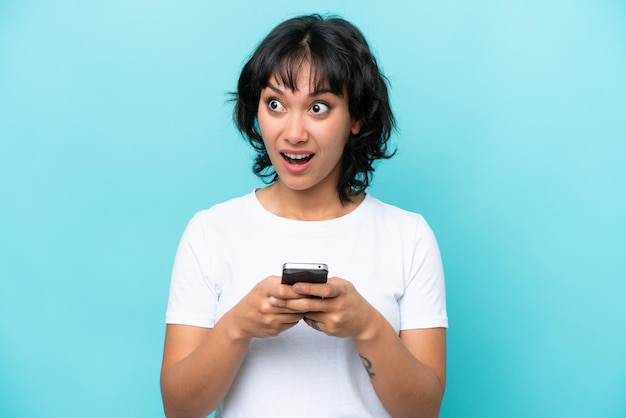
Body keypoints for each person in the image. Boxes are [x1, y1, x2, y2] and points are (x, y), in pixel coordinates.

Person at [160, 14, 447, 418]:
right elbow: (178, 408)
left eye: (318, 107)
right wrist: (237, 326)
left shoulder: (408, 236)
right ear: (255, 112)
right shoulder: (210, 232)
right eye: (275, 104)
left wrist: (367, 326)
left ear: (357, 118)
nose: (294, 133)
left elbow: (424, 411)